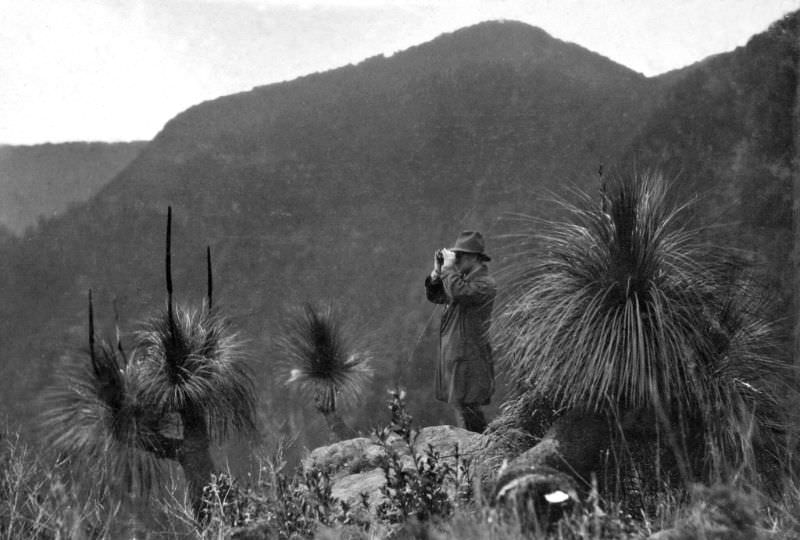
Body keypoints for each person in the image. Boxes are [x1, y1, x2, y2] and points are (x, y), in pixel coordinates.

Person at [425, 230, 496, 433]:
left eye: (460, 256)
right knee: (462, 406)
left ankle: (482, 444)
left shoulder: (485, 284)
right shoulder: (459, 279)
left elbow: (459, 292)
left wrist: (449, 270)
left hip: (469, 356)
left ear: (474, 257)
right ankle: (480, 443)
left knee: (468, 406)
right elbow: (436, 296)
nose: (456, 260)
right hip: (457, 355)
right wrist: (437, 273)